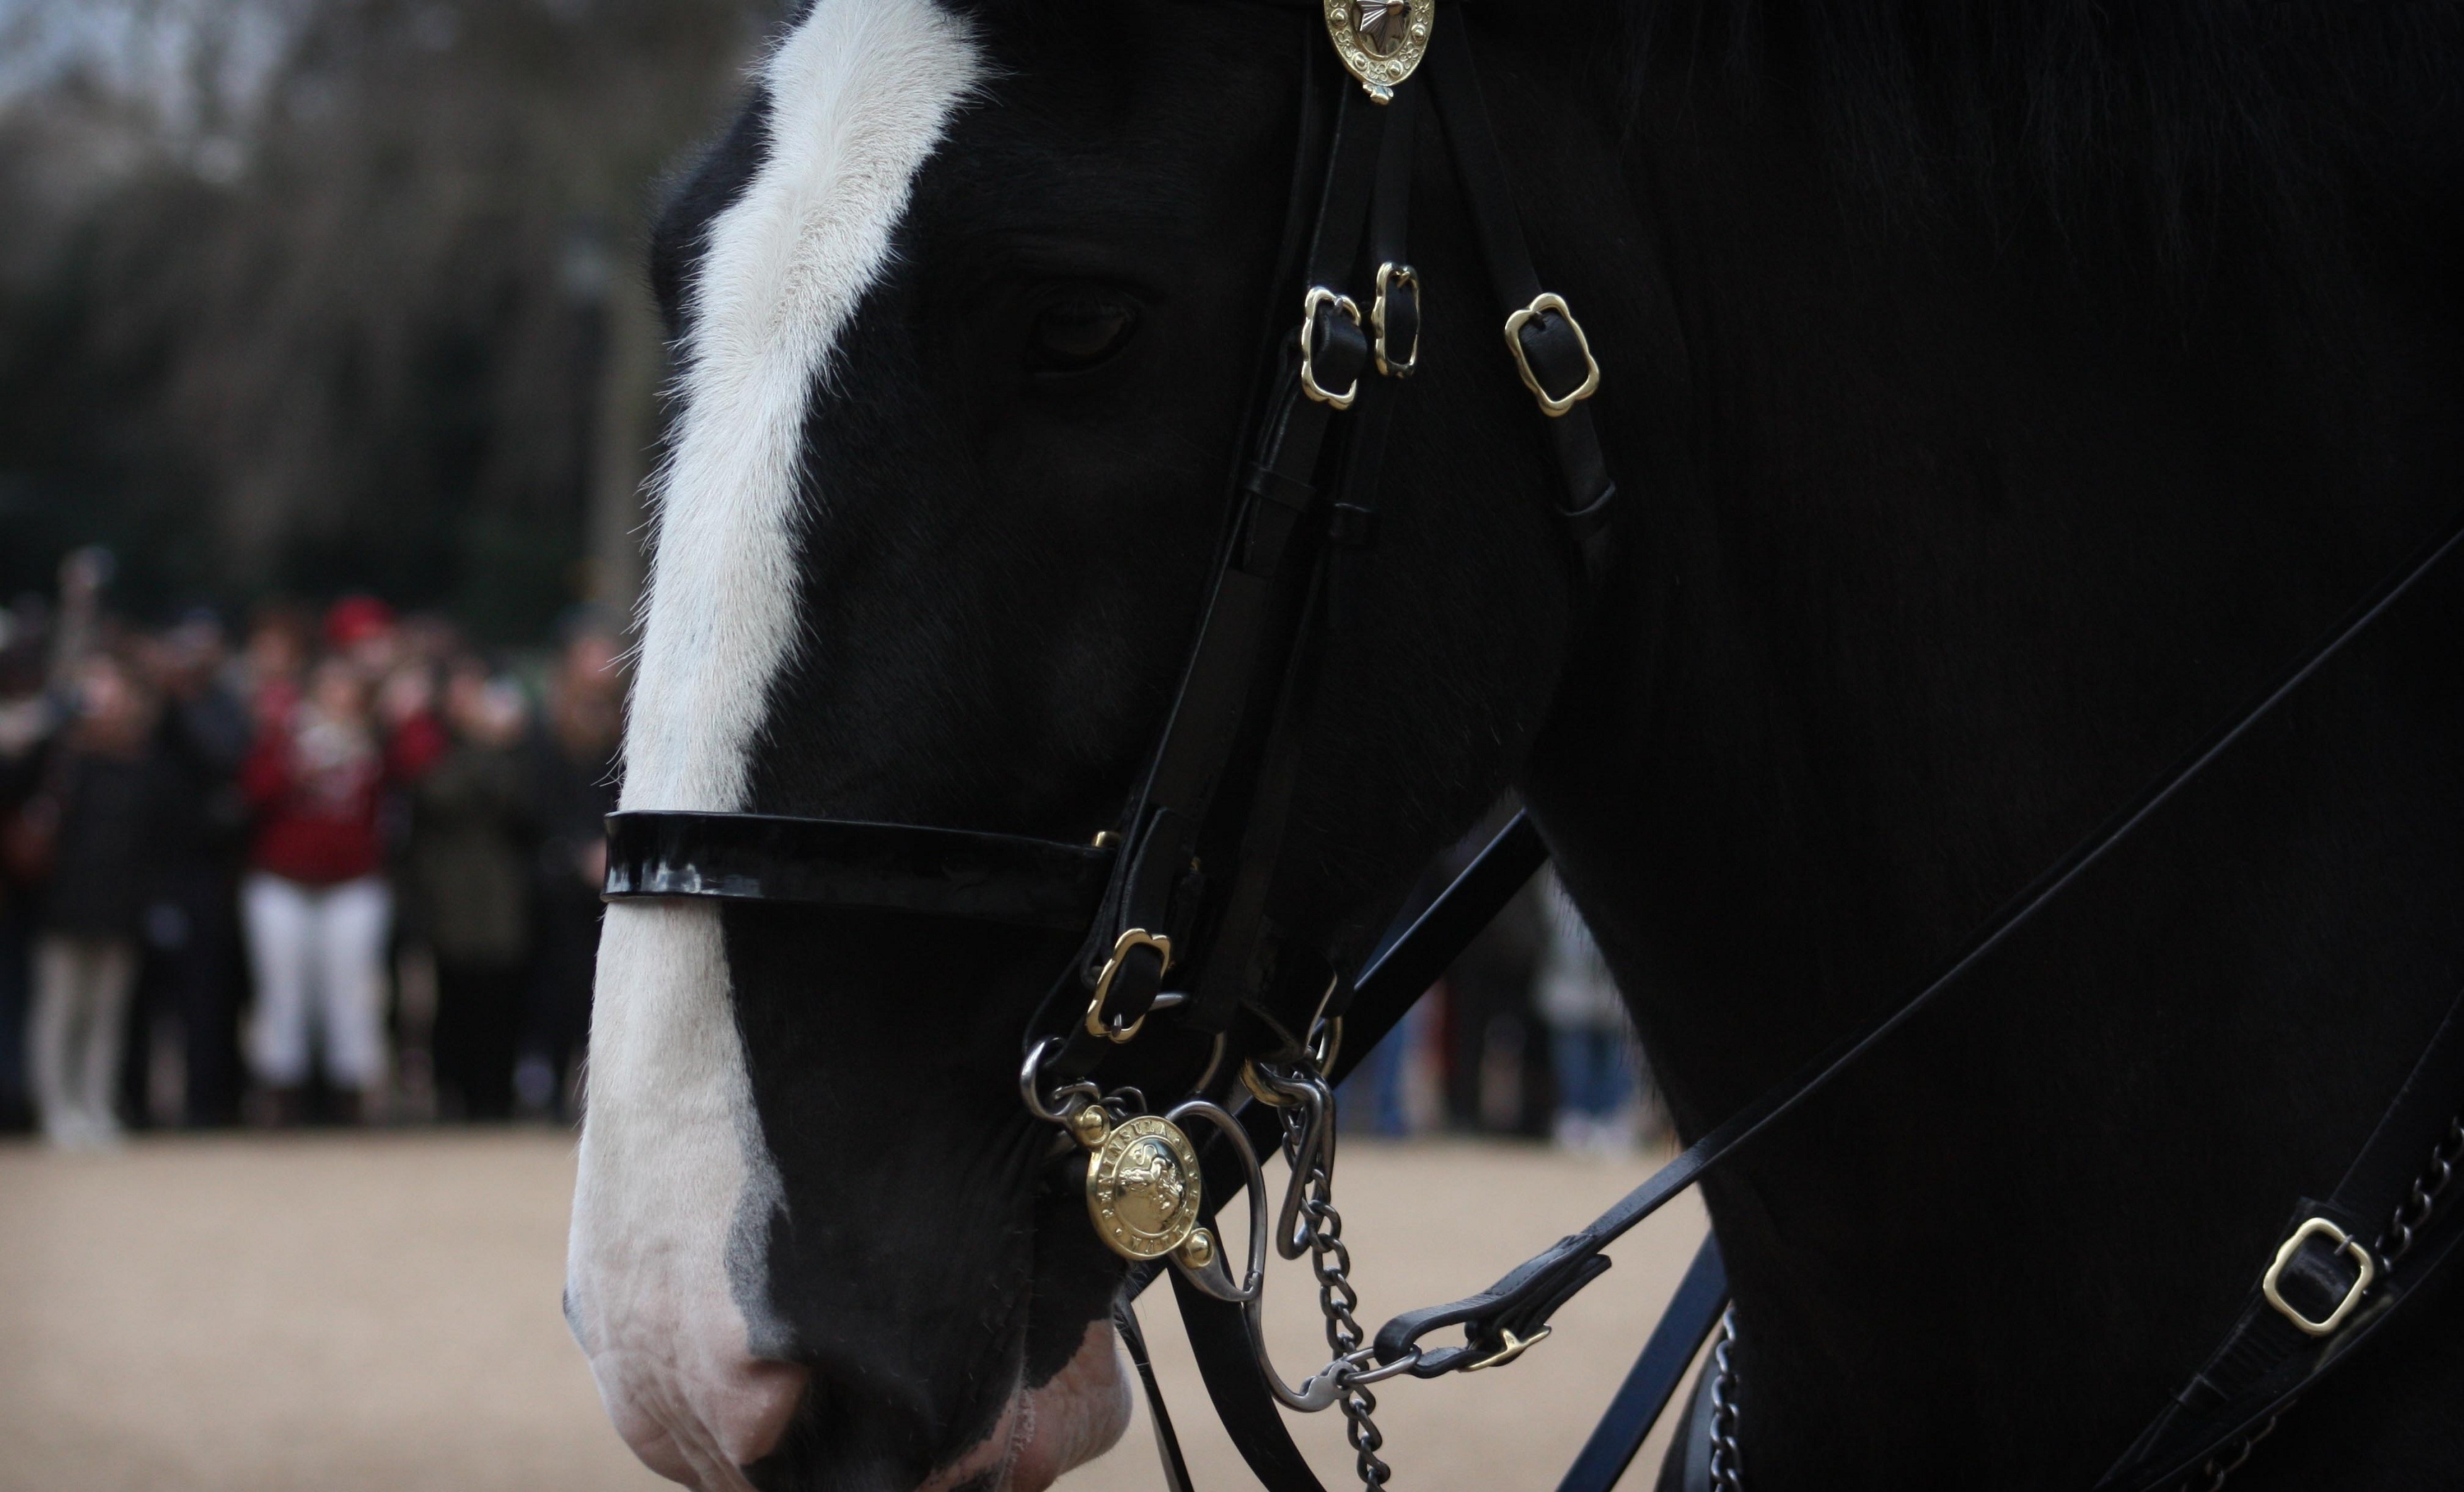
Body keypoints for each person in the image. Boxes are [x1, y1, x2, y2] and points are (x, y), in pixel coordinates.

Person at [239, 628, 443, 1125]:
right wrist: (291, 753)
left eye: (347, 687)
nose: (338, 697)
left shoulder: (376, 739)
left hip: (354, 883)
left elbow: (422, 763)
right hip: (282, 881)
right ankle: (283, 1096)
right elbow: (253, 790)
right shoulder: (285, 734)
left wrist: (410, 712)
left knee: (352, 992)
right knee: (283, 990)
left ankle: (349, 1097)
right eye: (328, 686)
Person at [23, 652, 170, 1148]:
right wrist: (56, 716)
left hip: (121, 903)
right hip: (65, 902)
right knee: (61, 1008)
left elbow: (158, 833)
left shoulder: (142, 759)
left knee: (106, 1013)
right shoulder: (60, 755)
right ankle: (55, 1107)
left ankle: (96, 1103)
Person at [137, 611, 252, 1127]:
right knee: (142, 1002)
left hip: (206, 870)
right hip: (144, 870)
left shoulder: (224, 709)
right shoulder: (145, 711)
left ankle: (209, 1104)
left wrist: (178, 704)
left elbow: (222, 760)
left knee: (208, 998)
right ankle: (136, 1101)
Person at [407, 658, 534, 1120]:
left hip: (501, 897)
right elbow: (439, 797)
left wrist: (499, 749)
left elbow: (520, 806)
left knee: (500, 1001)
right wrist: (482, 748)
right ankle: (452, 1095)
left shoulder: (515, 751)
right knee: (454, 1000)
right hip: (449, 896)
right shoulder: (431, 747)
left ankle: (496, 1095)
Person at [521, 616, 622, 1119]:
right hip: (555, 883)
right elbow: (534, 810)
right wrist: (572, 853)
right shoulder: (542, 732)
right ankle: (545, 1079)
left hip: (611, 881)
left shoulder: (628, 729)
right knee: (557, 980)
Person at [1535, 871, 1640, 1155]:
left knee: (1616, 1053)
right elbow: (1554, 916)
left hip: (1616, 985)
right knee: (1574, 1055)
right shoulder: (1555, 869)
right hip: (1570, 979)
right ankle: (1576, 1118)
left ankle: (1613, 1120)